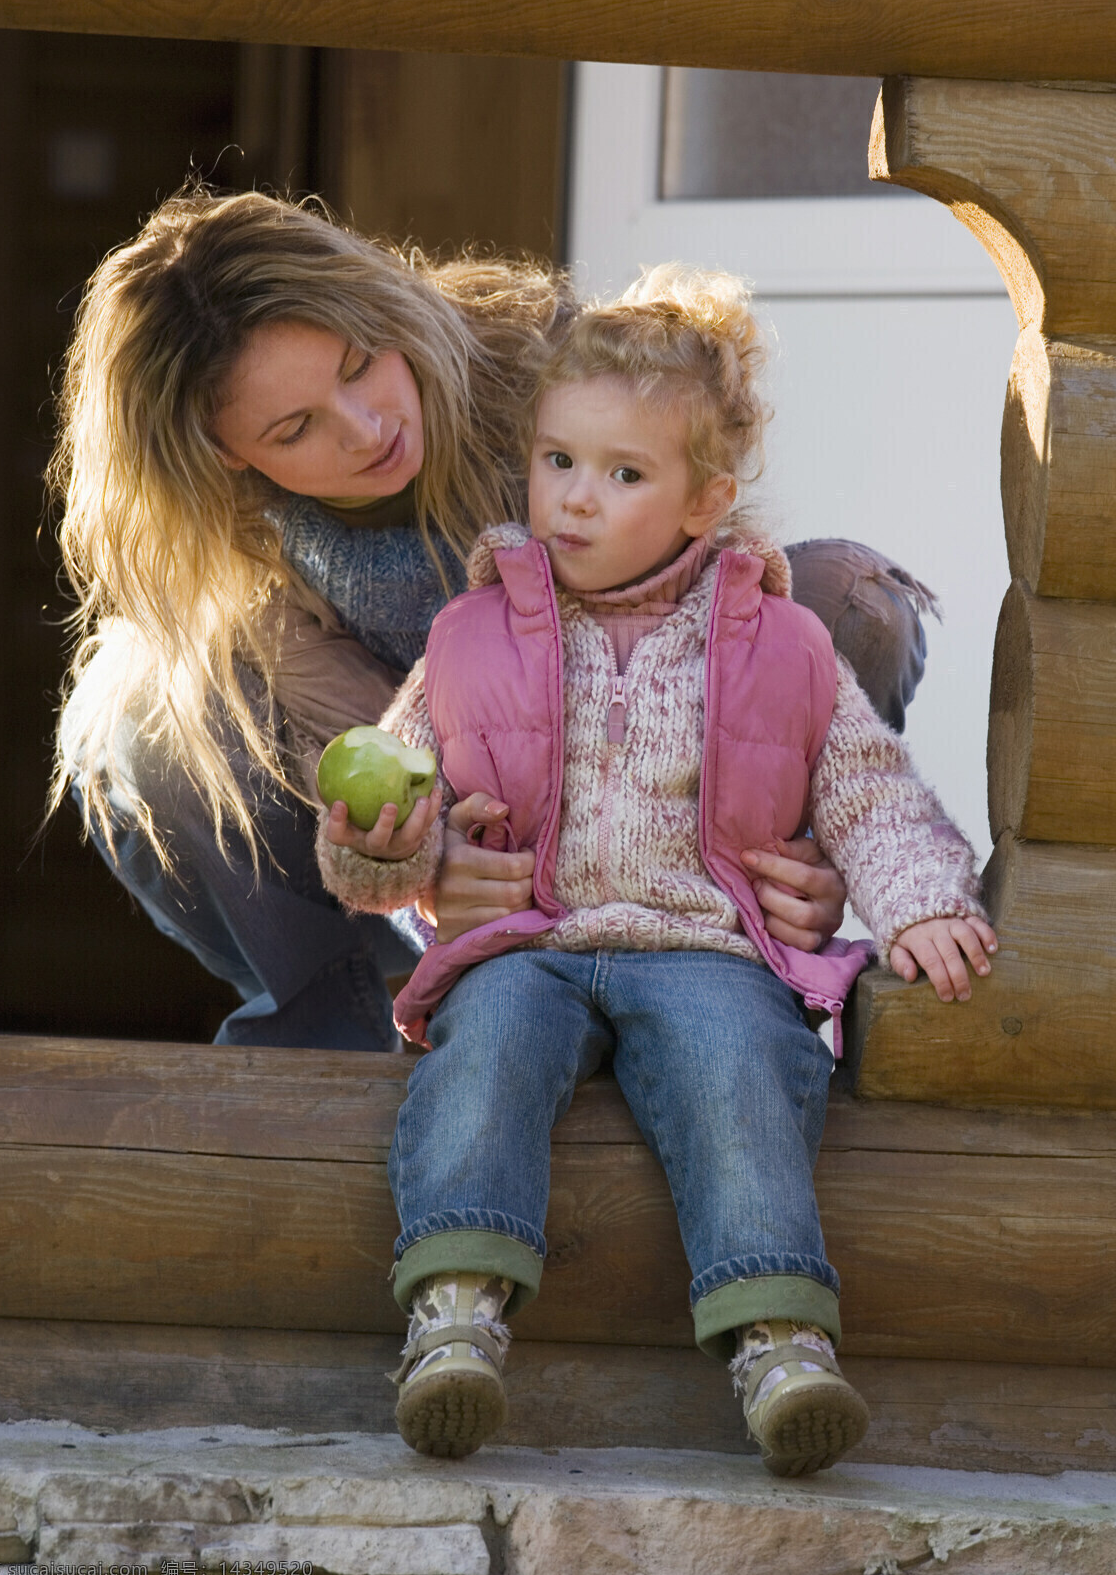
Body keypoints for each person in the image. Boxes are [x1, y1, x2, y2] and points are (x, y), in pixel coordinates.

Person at [317, 266, 996, 1473]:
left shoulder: (780, 642)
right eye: (558, 461)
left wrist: (923, 902)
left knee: (742, 1072)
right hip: (529, 939)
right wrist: (382, 848)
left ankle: (779, 1342)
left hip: (701, 942)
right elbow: (405, 796)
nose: (576, 500)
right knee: (487, 1057)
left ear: (705, 501)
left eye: (624, 476)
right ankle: (455, 1317)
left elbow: (865, 789)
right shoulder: (472, 630)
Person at [52, 188, 932, 1050]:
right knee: (136, 719)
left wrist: (791, 853)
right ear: (226, 456)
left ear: (380, 305)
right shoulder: (250, 582)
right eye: (296, 429)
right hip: (459, 842)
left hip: (650, 783)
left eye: (360, 364)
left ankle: (749, 940)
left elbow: (711, 631)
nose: (366, 429)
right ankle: (339, 1036)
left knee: (848, 599)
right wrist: (429, 875)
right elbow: (381, 774)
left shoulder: (538, 363)